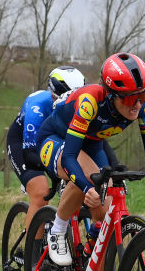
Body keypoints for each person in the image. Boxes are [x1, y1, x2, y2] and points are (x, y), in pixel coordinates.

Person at [36, 53, 145, 271]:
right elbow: (71, 157)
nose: (138, 104)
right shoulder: (90, 102)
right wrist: (86, 186)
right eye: (130, 98)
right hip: (55, 139)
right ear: (111, 95)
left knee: (106, 212)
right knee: (89, 177)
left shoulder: (143, 105)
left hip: (92, 144)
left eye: (143, 94)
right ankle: (57, 230)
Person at [5, 65, 86, 231]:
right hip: (23, 145)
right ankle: (31, 253)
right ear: (53, 95)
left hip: (53, 141)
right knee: (40, 194)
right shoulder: (38, 107)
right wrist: (55, 174)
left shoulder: (84, 106)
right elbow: (30, 155)